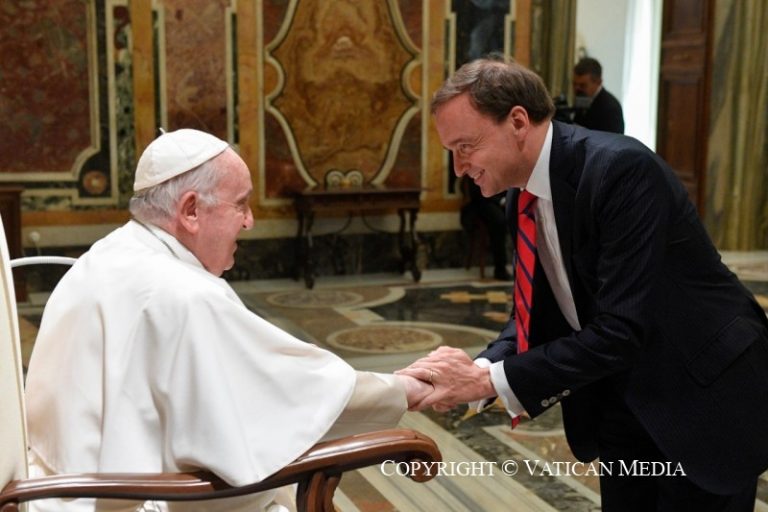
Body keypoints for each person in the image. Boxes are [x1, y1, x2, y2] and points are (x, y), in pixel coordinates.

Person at [400, 57, 768, 511]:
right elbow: (534, 313)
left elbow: (620, 329)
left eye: (465, 146)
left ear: (518, 121)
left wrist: (485, 381)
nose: (459, 168)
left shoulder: (620, 170)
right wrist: (479, 368)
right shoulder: (521, 197)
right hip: (621, 399)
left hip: (700, 394)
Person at [24, 129, 434, 512]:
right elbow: (287, 392)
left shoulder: (108, 254)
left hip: (60, 491)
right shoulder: (183, 293)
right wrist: (407, 389)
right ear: (190, 210)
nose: (249, 220)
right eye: (241, 203)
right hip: (131, 500)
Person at [572, 56, 624, 134]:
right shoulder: (583, 99)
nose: (577, 89)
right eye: (574, 84)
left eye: (583, 85)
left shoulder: (611, 109)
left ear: (598, 82)